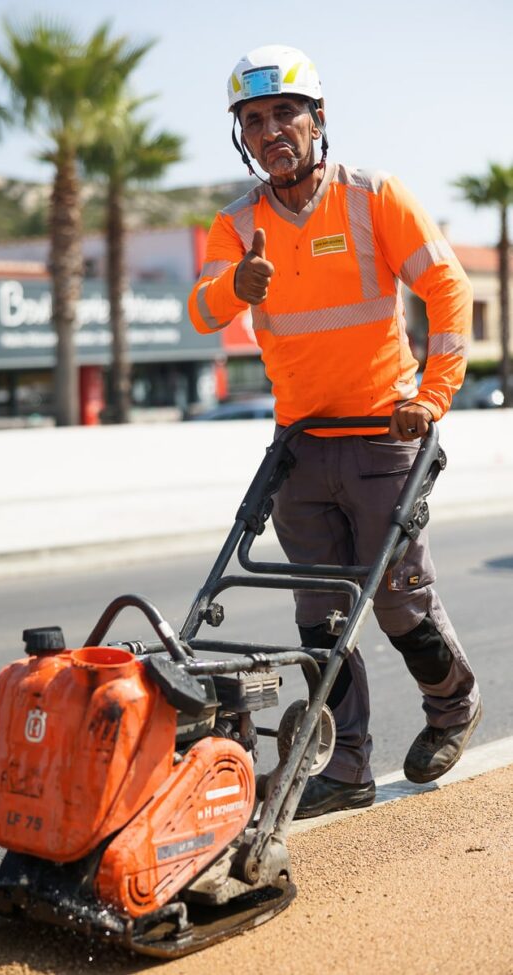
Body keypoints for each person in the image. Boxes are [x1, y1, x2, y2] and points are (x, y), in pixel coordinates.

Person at [188, 44, 481, 817]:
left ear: (319, 120)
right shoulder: (236, 223)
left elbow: (447, 288)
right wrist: (234, 284)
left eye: (285, 112)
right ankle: (345, 765)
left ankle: (453, 706)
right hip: (301, 449)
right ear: (243, 137)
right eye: (254, 120)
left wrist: (435, 392)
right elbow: (202, 308)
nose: (271, 129)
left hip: (387, 434)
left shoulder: (372, 196)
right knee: (318, 616)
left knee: (396, 601)